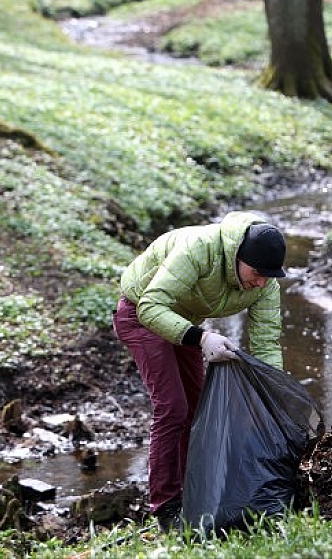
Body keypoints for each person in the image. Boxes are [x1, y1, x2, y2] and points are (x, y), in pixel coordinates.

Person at [112, 210, 286, 530]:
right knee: (173, 408)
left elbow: (266, 343)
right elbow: (151, 307)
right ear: (237, 256)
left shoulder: (265, 284)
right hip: (140, 314)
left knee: (198, 409)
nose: (260, 281)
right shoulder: (199, 249)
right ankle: (165, 505)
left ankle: (194, 494)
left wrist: (272, 394)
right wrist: (201, 338)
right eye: (257, 272)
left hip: (184, 321)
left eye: (269, 275)